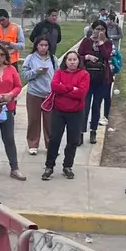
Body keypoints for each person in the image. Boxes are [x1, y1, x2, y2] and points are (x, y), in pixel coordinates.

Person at [42, 50, 90, 180]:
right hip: (59, 111)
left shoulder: (84, 74)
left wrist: (64, 88)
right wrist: (72, 88)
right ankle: (49, 166)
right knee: (54, 139)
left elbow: (81, 93)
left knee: (72, 141)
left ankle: (67, 166)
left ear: (79, 61)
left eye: (75, 59)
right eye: (69, 59)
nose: (72, 62)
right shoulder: (59, 72)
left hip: (76, 112)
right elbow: (54, 87)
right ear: (65, 61)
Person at [0, 44, 26, 180]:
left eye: (1, 55)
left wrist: (10, 95)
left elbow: (18, 86)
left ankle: (14, 168)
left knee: (9, 139)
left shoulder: (11, 69)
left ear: (5, 56)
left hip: (8, 108)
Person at [78, 21, 113, 144]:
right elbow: (78, 56)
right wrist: (87, 57)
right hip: (87, 78)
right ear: (92, 29)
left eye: (102, 29)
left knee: (97, 106)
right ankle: (81, 132)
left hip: (102, 78)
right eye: (97, 28)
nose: (99, 31)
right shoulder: (86, 41)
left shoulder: (108, 43)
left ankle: (93, 131)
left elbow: (107, 56)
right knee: (85, 106)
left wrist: (102, 43)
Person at [22, 35, 56, 154]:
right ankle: (33, 144)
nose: (43, 48)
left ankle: (50, 145)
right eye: (41, 45)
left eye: (46, 45)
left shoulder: (53, 58)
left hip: (49, 94)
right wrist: (36, 72)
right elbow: (25, 75)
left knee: (50, 121)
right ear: (36, 46)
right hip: (34, 93)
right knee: (33, 119)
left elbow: (57, 74)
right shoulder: (30, 58)